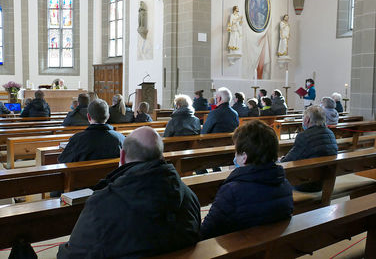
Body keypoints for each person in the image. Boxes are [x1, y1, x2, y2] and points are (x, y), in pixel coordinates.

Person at [57, 127, 201, 258]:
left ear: (122, 156)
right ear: (161, 156)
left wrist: (62, 249)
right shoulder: (189, 195)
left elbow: (74, 255)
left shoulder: (101, 204)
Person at [200, 120, 293, 239]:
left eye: (236, 152)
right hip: (272, 248)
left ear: (244, 157)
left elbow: (207, 232)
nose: (234, 156)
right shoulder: (285, 184)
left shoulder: (231, 191)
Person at [280, 105, 338, 192]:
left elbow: (288, 161)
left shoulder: (304, 136)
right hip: (325, 181)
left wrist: (281, 160)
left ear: (307, 119)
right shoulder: (330, 133)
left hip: (306, 183)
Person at [58, 99, 125, 163]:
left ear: (88, 117)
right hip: (115, 175)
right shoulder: (122, 139)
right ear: (108, 117)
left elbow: (63, 160)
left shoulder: (77, 139)